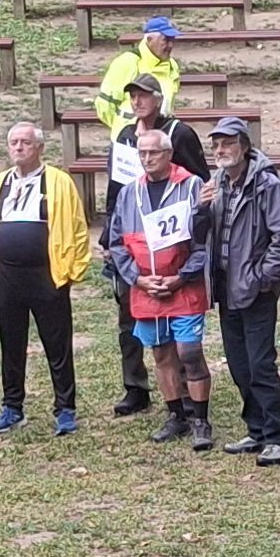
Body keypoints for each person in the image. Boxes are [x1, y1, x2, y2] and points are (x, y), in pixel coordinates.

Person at [99, 125, 213, 451]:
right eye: (142, 153)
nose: (147, 158)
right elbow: (117, 243)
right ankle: (176, 415)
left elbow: (205, 239)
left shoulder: (191, 186)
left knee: (189, 352)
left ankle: (201, 420)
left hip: (183, 287)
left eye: (153, 152)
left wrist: (182, 276)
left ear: (169, 154)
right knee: (161, 354)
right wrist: (137, 279)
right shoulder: (128, 193)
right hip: (146, 289)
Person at [0, 122, 85, 437]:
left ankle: (65, 409)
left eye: (25, 142)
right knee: (11, 343)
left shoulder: (59, 181)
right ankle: (12, 407)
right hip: (7, 275)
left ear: (39, 147)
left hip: (47, 274)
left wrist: (71, 272)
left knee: (57, 344)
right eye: (14, 142)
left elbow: (77, 227)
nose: (19, 147)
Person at [101, 73, 202, 415]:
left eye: (143, 95)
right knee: (128, 316)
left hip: (173, 241)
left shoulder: (179, 133)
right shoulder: (125, 136)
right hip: (132, 235)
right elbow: (115, 189)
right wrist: (109, 238)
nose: (137, 102)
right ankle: (135, 387)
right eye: (132, 96)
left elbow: (200, 183)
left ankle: (186, 393)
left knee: (178, 324)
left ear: (158, 99)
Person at [198, 117, 280, 466]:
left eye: (227, 143)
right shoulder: (215, 183)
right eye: (215, 145)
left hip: (255, 290)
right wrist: (200, 208)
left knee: (260, 364)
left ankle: (275, 436)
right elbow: (200, 234)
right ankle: (255, 429)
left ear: (244, 146)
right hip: (226, 288)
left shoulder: (267, 185)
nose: (220, 150)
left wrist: (264, 279)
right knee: (239, 365)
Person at [89, 16, 182, 134]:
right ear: (149, 39)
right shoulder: (126, 62)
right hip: (128, 137)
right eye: (166, 40)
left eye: (172, 40)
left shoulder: (172, 65)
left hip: (160, 135)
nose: (171, 45)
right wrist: (124, 129)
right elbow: (105, 106)